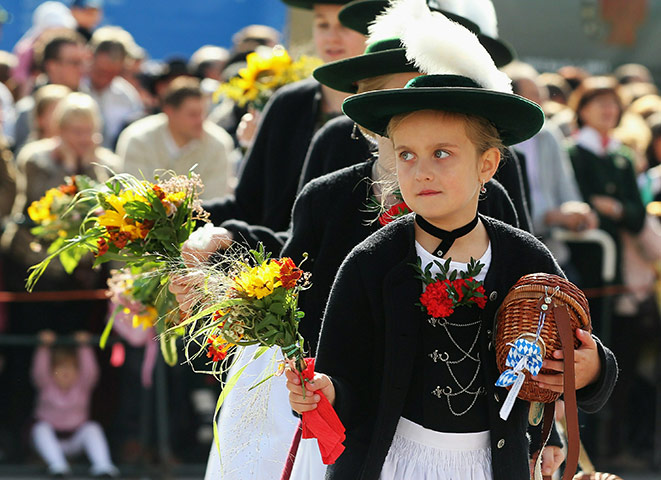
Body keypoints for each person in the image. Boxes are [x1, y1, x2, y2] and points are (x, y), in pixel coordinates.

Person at [285, 5, 617, 480]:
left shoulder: (524, 257)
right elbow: (343, 371)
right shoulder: (370, 261)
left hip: (492, 463)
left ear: (487, 165)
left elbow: (569, 342)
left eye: (442, 153)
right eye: (407, 154)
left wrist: (590, 369)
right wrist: (322, 389)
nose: (422, 170)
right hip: (391, 462)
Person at [202, 0, 366, 232]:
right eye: (322, 25)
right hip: (272, 264)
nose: (331, 37)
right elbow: (247, 205)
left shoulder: (383, 110)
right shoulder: (288, 103)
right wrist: (176, 211)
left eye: (344, 25)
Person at [116, 76, 234, 200]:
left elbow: (214, 200)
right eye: (193, 114)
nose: (201, 120)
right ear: (169, 111)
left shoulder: (219, 143)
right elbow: (135, 198)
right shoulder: (138, 139)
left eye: (203, 113)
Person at [31, 329, 118, 477]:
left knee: (92, 428)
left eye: (71, 368)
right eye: (60, 368)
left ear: (78, 371)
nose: (66, 373)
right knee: (40, 429)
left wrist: (84, 347)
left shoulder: (82, 386)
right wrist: (43, 347)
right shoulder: (46, 384)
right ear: (52, 371)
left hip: (75, 439)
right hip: (52, 440)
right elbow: (39, 370)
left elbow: (90, 371)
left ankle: (103, 466)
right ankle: (58, 466)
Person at [13, 29, 87, 153]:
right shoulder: (27, 110)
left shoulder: (90, 104)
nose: (81, 69)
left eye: (83, 62)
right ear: (52, 66)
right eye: (74, 63)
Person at [82, 28, 144, 148]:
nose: (104, 79)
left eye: (112, 74)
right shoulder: (75, 87)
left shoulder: (127, 95)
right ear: (90, 58)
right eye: (100, 71)